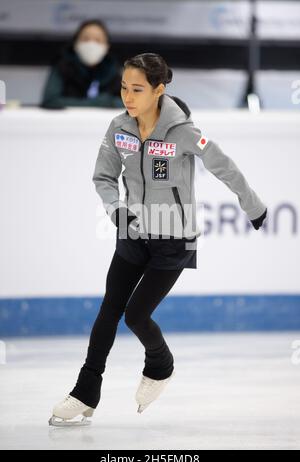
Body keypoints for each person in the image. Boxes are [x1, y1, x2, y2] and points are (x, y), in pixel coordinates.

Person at [49, 53, 267, 426]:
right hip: (133, 232)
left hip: (174, 239)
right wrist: (117, 211)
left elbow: (223, 166)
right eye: (123, 88)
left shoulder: (183, 131)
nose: (127, 97)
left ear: (159, 90)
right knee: (109, 310)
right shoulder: (119, 128)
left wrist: (253, 205)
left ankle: (160, 365)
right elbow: (103, 178)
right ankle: (85, 392)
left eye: (137, 89)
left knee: (136, 315)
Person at [40, 19, 123, 109]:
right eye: (86, 39)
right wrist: (95, 103)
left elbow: (129, 103)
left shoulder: (113, 69)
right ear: (76, 44)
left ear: (107, 47)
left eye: (98, 40)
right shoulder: (63, 66)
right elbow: (50, 100)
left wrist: (110, 102)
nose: (91, 44)